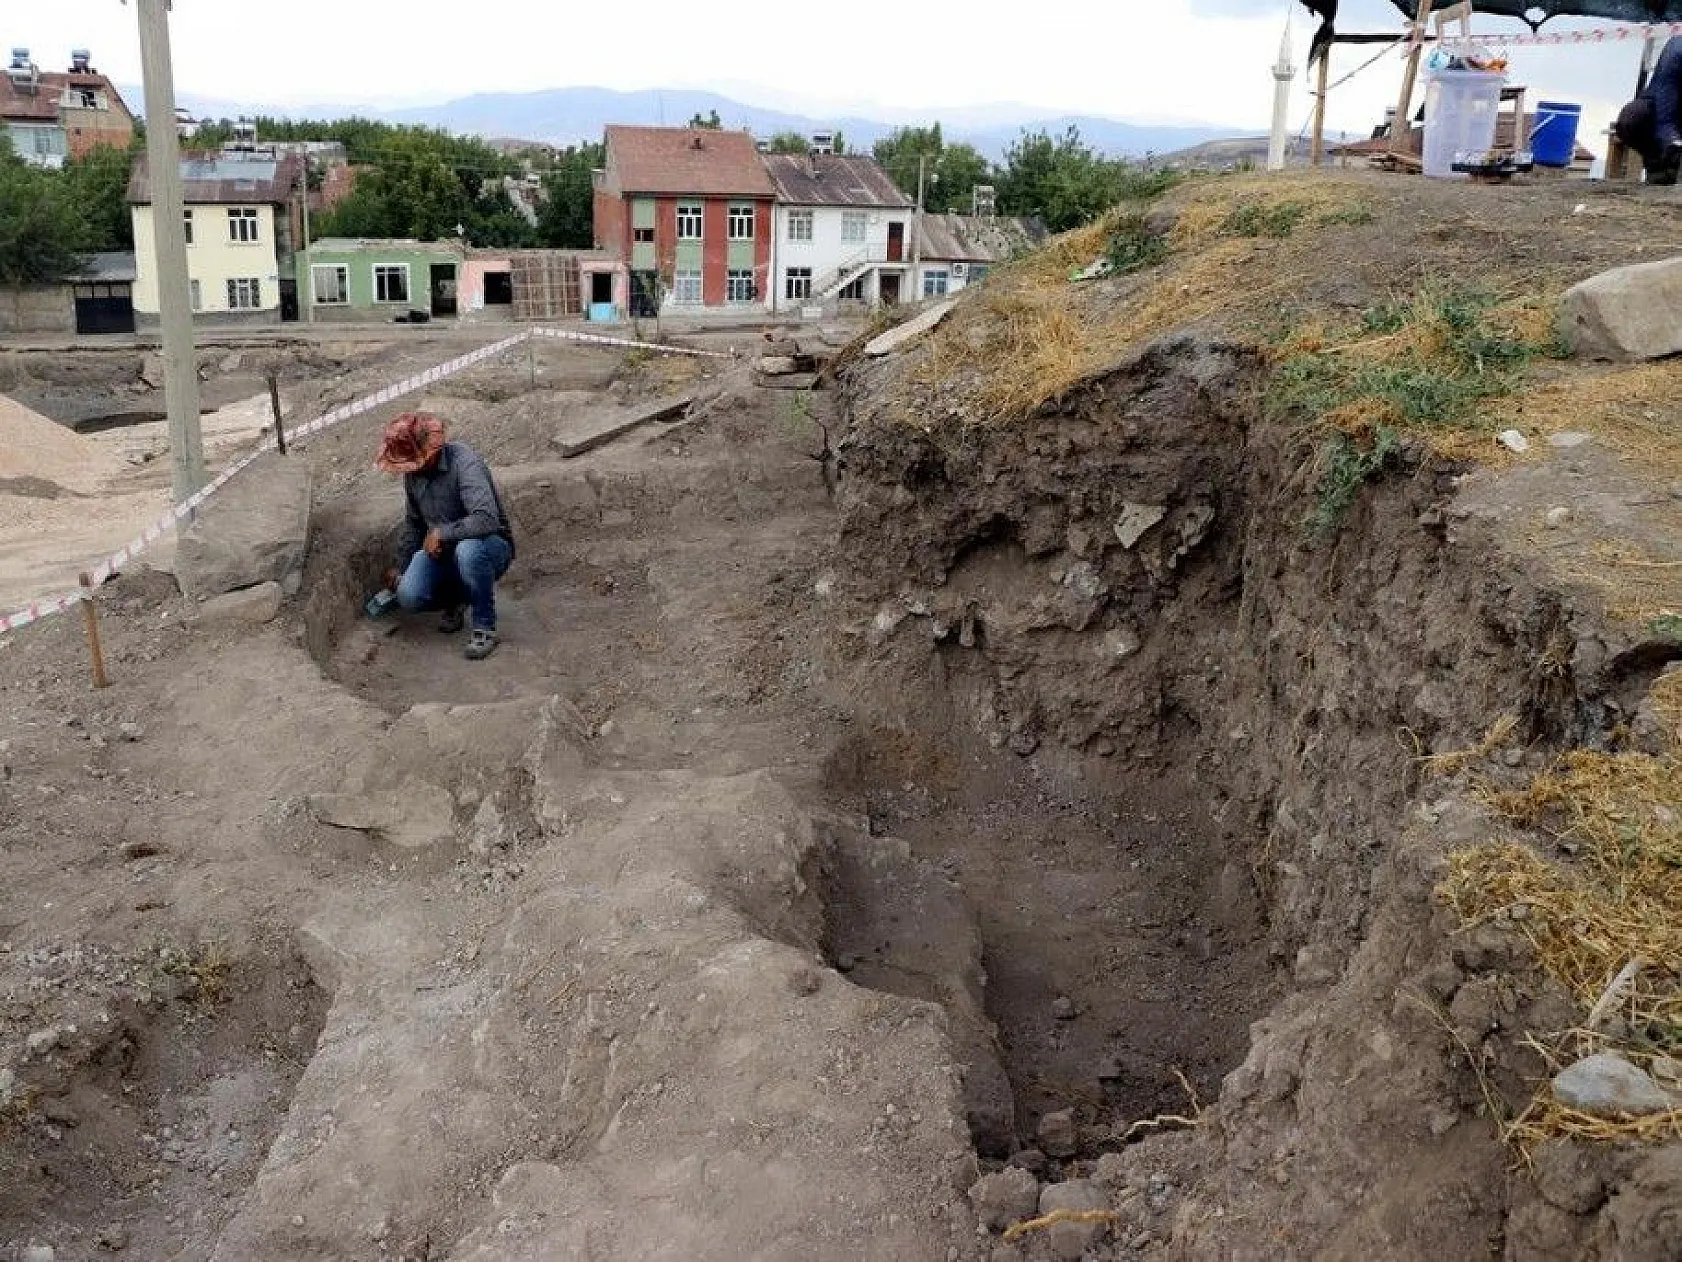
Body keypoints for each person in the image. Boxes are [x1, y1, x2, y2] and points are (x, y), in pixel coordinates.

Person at [375, 412, 515, 661]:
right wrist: (401, 566)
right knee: (409, 595)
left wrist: (442, 533)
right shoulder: (414, 475)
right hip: (445, 552)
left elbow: (486, 518)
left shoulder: (465, 463)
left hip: (490, 547)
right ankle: (458, 600)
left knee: (468, 551)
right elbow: (414, 523)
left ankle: (484, 627)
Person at [1615, 35, 1682, 186]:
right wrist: (1673, 142)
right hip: (1665, 112)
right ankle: (1659, 166)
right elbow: (1665, 108)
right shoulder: (1677, 50)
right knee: (1632, 118)